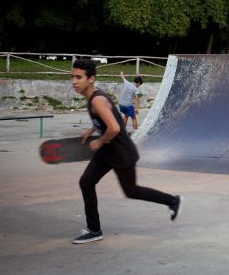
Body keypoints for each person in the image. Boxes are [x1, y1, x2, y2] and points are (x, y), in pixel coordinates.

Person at [71, 58, 182, 244]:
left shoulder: (97, 99)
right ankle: (94, 229)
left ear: (91, 79)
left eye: (78, 77)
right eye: (72, 77)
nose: (74, 81)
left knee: (131, 191)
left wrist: (98, 142)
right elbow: (105, 119)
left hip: (120, 152)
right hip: (108, 152)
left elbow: (114, 128)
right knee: (86, 182)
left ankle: (172, 200)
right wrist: (91, 130)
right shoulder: (93, 97)